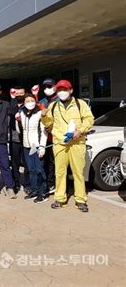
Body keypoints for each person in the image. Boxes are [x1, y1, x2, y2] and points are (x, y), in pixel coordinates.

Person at [41, 80, 94, 212]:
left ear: (71, 90)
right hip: (60, 144)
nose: (62, 92)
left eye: (64, 90)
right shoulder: (53, 106)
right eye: (59, 90)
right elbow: (49, 124)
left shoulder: (80, 104)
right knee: (60, 172)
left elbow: (89, 119)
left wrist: (80, 131)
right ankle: (60, 198)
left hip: (77, 143)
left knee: (78, 173)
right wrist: (43, 116)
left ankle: (80, 200)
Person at [16, 93, 48, 203]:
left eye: (32, 100)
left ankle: (42, 192)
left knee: (39, 169)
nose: (30, 103)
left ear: (35, 101)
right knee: (31, 170)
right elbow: (20, 130)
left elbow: (43, 131)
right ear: (24, 103)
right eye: (27, 101)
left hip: (37, 145)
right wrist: (18, 121)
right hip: (26, 145)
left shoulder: (40, 113)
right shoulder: (22, 113)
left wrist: (42, 146)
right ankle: (34, 191)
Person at [39, 78, 58, 194]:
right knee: (47, 163)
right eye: (45, 87)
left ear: (55, 86)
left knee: (58, 164)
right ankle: (49, 184)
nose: (47, 89)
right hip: (45, 138)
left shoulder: (60, 101)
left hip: (58, 137)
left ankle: (58, 186)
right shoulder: (42, 102)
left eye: (49, 86)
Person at [9, 86, 28, 193]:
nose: (19, 95)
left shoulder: (29, 104)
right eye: (17, 94)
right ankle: (16, 183)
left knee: (27, 163)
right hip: (14, 139)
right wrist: (13, 99)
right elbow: (11, 112)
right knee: (15, 163)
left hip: (27, 140)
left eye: (22, 93)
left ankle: (27, 184)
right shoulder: (12, 105)